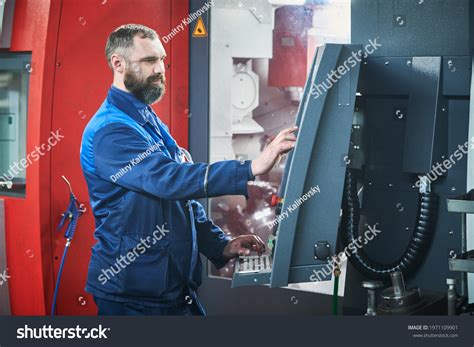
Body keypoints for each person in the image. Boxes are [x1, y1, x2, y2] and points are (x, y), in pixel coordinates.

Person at [80, 24, 297, 315]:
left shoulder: (148, 120)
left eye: (161, 60)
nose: (159, 69)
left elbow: (181, 199)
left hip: (174, 289)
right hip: (133, 296)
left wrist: (220, 246)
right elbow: (169, 181)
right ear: (117, 63)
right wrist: (252, 167)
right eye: (148, 61)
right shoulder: (111, 130)